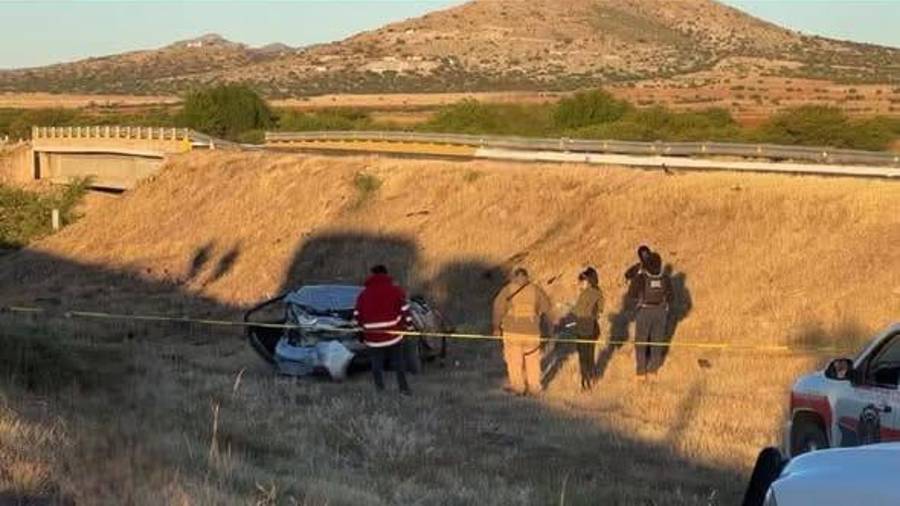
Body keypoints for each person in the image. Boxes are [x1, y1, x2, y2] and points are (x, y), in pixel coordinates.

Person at [353, 265, 413, 395]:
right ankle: (404, 389)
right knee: (398, 363)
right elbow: (405, 310)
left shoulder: (363, 294)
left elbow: (357, 314)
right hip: (393, 333)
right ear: (386, 274)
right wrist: (408, 326)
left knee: (376, 364)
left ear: (372, 275)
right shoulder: (395, 290)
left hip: (373, 336)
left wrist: (361, 331)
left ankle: (380, 389)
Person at [492, 268, 551, 396]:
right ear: (527, 277)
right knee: (533, 361)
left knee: (514, 360)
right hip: (532, 332)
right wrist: (547, 331)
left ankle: (518, 387)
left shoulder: (508, 290)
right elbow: (547, 310)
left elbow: (498, 308)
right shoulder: (536, 290)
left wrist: (496, 327)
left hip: (513, 332)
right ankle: (535, 388)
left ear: (514, 277)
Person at [629, 252, 673, 379]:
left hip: (644, 311)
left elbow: (631, 295)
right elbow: (671, 297)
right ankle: (653, 370)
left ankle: (641, 372)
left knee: (641, 342)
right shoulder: (665, 278)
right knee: (657, 342)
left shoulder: (641, 278)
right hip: (661, 312)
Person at [567, 267, 604, 391]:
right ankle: (592, 378)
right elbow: (600, 310)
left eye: (581, 281)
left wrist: (568, 307)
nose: (580, 284)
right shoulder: (598, 292)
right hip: (593, 326)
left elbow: (578, 311)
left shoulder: (586, 293)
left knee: (583, 356)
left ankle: (585, 381)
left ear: (587, 281)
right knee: (590, 354)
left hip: (583, 326)